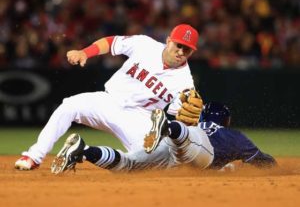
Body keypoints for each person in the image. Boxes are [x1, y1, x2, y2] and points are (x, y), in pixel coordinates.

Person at [15, 24, 200, 170]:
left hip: (140, 119)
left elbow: (181, 123)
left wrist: (190, 124)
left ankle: (85, 152)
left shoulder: (185, 83)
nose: (181, 52)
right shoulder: (145, 45)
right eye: (179, 45)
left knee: (153, 162)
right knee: (69, 106)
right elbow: (111, 43)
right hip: (108, 101)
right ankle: (33, 156)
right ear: (168, 41)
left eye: (187, 49)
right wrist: (84, 52)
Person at [50, 102, 276, 174]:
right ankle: (166, 125)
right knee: (190, 146)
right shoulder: (233, 136)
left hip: (173, 148)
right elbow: (264, 161)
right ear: (226, 120)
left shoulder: (196, 123)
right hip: (193, 145)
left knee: (129, 165)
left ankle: (84, 150)